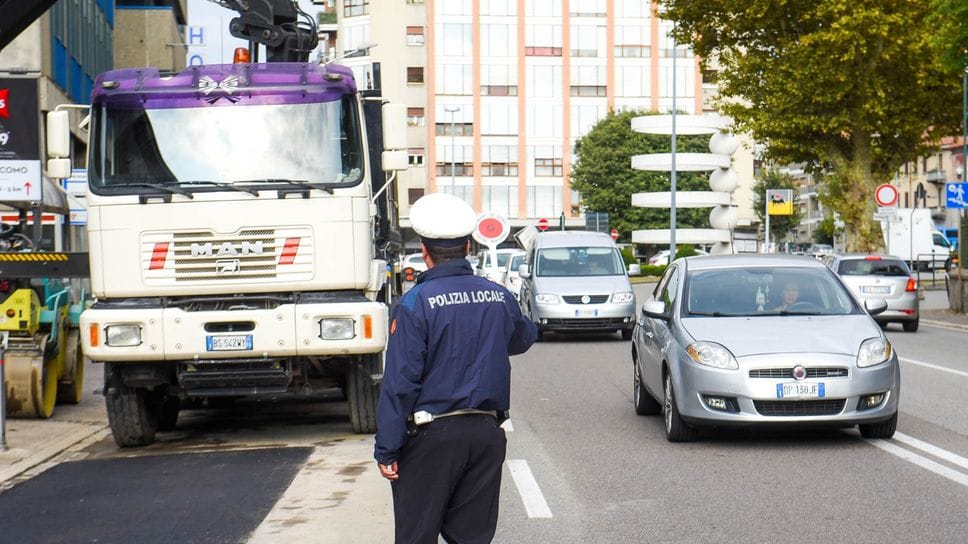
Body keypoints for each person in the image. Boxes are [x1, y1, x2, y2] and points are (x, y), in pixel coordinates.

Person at [374, 192, 537, 544]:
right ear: (468, 248)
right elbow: (523, 339)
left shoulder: (415, 303)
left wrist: (387, 447)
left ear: (425, 252)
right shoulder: (498, 295)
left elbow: (401, 382)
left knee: (417, 536)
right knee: (472, 538)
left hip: (430, 437)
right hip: (485, 434)